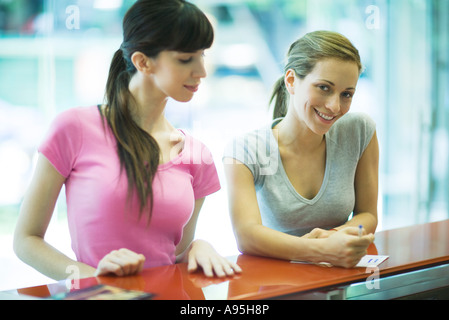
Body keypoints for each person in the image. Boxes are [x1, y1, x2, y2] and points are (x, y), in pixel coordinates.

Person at [14, 0, 241, 280]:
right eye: (185, 59)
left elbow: (173, 256)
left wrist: (199, 247)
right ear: (143, 61)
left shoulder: (197, 155)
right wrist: (92, 278)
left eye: (202, 55)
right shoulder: (73, 129)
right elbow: (26, 240)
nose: (201, 72)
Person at [223, 31, 378, 268]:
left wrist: (334, 235)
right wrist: (321, 249)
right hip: (275, 287)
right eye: (324, 88)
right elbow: (246, 236)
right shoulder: (245, 150)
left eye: (346, 94)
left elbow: (368, 216)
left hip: (336, 282)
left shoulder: (359, 131)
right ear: (291, 81)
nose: (335, 106)